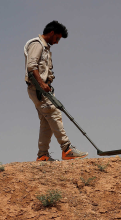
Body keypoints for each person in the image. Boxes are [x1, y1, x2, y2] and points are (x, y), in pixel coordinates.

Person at [24, 20, 88, 161]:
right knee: (54, 114)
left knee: (46, 121)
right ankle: (67, 149)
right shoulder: (37, 44)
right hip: (38, 88)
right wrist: (41, 84)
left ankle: (43, 155)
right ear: (51, 33)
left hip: (42, 89)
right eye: (57, 38)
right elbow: (31, 66)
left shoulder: (45, 48)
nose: (58, 42)